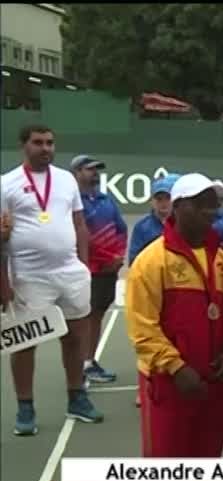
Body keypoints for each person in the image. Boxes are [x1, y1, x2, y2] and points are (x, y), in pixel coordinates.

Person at [126, 173, 223, 481]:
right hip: (168, 382)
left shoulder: (221, 259)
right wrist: (175, 366)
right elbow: (142, 327)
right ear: (180, 208)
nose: (213, 212)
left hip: (211, 378)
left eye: (215, 204)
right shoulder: (152, 261)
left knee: (206, 454)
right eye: (204, 204)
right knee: (166, 461)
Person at [1, 124, 104, 436]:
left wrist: (84, 266)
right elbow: (0, 236)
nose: (45, 148)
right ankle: (25, 407)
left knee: (74, 337)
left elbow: (79, 222)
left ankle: (77, 398)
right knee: (25, 342)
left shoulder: (66, 180)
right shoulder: (6, 184)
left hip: (70, 273)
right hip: (29, 276)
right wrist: (2, 284)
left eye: (50, 143)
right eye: (38, 143)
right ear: (24, 146)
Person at [73, 154, 127, 386]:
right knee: (85, 318)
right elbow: (78, 236)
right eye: (89, 169)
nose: (95, 173)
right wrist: (105, 259)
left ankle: (88, 361)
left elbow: (121, 229)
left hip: (109, 270)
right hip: (87, 270)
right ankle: (82, 363)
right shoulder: (73, 202)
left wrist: (118, 257)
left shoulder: (107, 200)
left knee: (97, 316)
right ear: (76, 173)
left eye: (97, 169)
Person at [129, 174, 178, 266]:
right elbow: (133, 260)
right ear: (151, 201)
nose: (163, 203)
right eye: (159, 199)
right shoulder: (141, 227)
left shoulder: (182, 224)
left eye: (167, 198)